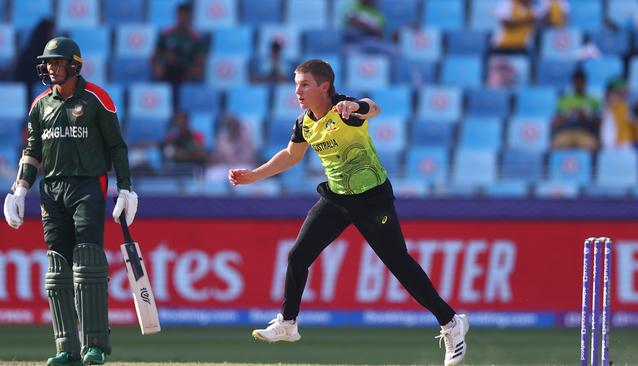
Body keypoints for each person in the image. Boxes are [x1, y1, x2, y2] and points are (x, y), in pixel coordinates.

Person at [229, 59, 469, 366]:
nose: (297, 91)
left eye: (305, 84)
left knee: (399, 264)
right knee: (298, 255)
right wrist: (253, 175)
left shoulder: (344, 108)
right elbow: (291, 155)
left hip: (372, 200)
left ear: (324, 86)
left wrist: (356, 107)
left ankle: (451, 323)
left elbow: (373, 108)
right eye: (296, 84)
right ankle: (288, 324)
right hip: (337, 200)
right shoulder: (304, 122)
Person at [2, 37, 138, 366]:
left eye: (58, 62)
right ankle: (66, 349)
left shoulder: (96, 98)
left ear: (74, 65)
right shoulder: (39, 105)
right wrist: (19, 189)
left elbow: (117, 146)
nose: (52, 68)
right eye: (48, 63)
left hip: (89, 184)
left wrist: (125, 188)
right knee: (57, 269)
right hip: (51, 189)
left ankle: (95, 345)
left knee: (88, 263)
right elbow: (32, 153)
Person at [150, 3, 207, 101]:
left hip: (185, 74)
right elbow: (155, 56)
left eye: (186, 16)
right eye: (181, 15)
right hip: (167, 73)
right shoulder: (166, 34)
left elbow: (199, 62)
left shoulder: (196, 38)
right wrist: (157, 67)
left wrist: (189, 74)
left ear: (191, 17)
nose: (183, 19)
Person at [551, 68, 601, 152]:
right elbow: (556, 123)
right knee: (555, 145)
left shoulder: (593, 101)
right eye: (576, 82)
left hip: (585, 133)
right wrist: (568, 115)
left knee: (593, 146)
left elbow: (599, 123)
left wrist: (586, 116)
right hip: (567, 133)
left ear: (585, 83)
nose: (579, 84)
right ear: (572, 83)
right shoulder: (563, 100)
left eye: (581, 82)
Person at [600, 78, 634, 150]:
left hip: (625, 144)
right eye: (616, 93)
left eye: (621, 94)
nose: (617, 96)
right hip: (609, 144)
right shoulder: (605, 109)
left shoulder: (626, 107)